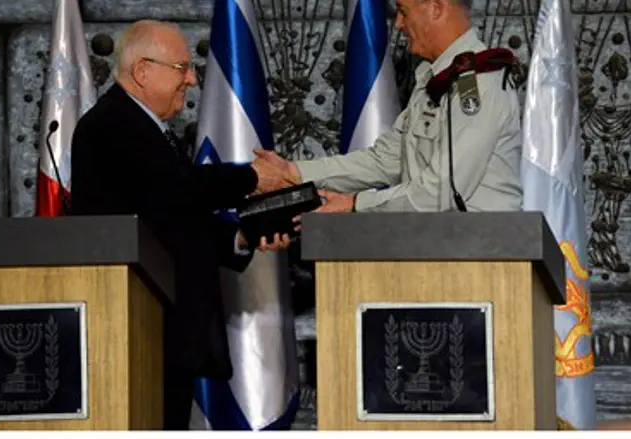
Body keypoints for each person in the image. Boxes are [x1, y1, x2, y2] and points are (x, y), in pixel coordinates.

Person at [69, 20, 292, 429]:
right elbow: (177, 188)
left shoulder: (146, 127)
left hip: (163, 328)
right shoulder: (112, 124)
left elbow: (168, 217)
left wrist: (242, 236)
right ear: (142, 71)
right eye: (182, 68)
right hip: (140, 326)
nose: (191, 79)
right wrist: (251, 178)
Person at [255, 0, 523, 220]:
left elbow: (443, 191)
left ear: (436, 7)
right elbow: (386, 160)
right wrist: (296, 173)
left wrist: (357, 204)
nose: (398, 24)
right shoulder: (435, 79)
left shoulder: (476, 82)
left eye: (403, 11)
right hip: (438, 250)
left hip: (484, 258)